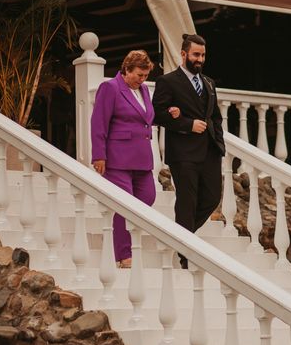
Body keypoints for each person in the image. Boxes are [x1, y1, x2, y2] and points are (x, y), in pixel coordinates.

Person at [91, 50, 175, 268]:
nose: (142, 79)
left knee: (148, 197)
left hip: (142, 158)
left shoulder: (145, 90)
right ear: (126, 69)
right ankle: (123, 255)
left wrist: (170, 112)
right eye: (139, 74)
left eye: (145, 75)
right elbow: (98, 122)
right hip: (117, 158)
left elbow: (147, 118)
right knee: (123, 205)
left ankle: (123, 238)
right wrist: (99, 155)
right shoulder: (110, 88)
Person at [152, 34, 225, 268]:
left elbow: (216, 117)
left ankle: (181, 237)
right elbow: (156, 115)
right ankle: (185, 254)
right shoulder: (168, 81)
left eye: (203, 55)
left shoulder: (209, 83)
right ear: (183, 54)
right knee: (187, 201)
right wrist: (186, 124)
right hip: (183, 153)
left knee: (212, 197)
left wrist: (219, 144)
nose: (200, 59)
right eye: (196, 54)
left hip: (209, 152)